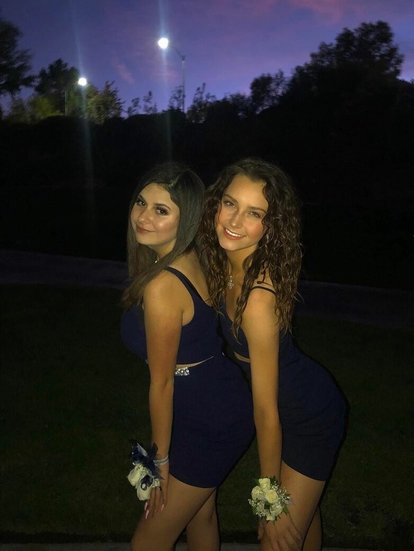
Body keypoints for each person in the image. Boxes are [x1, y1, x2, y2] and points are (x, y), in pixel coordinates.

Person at [199, 158, 347, 551]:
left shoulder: (257, 299)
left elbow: (266, 413)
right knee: (302, 523)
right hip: (287, 405)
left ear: (271, 226)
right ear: (215, 202)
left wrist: (268, 500)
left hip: (307, 414)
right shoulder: (225, 263)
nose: (235, 220)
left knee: (276, 536)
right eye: (230, 203)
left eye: (254, 213)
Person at [120, 163, 254, 551]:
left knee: (148, 541)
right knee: (201, 514)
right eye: (141, 202)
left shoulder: (162, 285)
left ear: (187, 219)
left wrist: (158, 461)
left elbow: (162, 382)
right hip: (215, 398)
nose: (143, 216)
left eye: (161, 210)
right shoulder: (190, 258)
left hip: (207, 417)